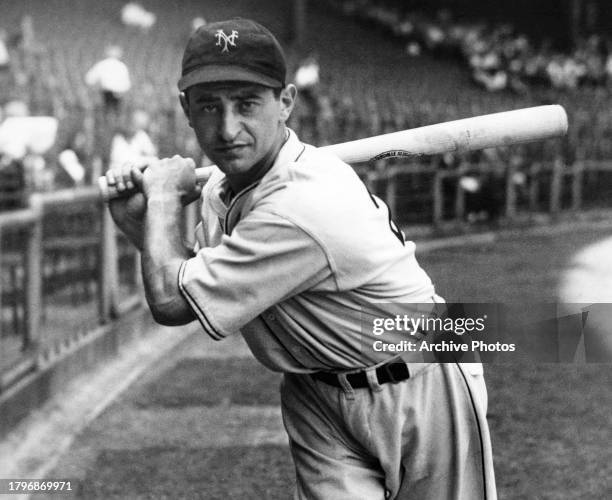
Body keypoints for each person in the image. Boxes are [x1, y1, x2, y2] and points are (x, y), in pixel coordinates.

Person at [104, 18, 497, 499]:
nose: (228, 130)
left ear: (285, 102)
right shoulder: (224, 189)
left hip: (420, 373)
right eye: (210, 106)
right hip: (315, 390)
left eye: (247, 104)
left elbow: (170, 303)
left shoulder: (300, 205)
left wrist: (163, 202)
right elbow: (188, 281)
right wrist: (141, 223)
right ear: (187, 108)